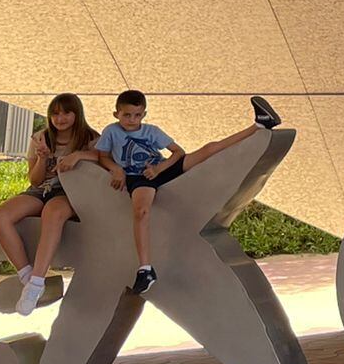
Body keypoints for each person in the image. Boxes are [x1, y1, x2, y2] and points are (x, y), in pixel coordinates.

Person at [96, 90, 282, 296]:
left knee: (209, 149)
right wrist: (116, 169)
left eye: (137, 115)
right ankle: (145, 268)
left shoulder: (151, 131)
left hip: (160, 169)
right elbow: (102, 156)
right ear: (116, 114)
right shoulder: (111, 131)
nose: (132, 120)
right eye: (127, 115)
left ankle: (258, 126)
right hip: (137, 177)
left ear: (144, 114)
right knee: (141, 211)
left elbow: (178, 152)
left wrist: (159, 168)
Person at [0, 94, 98, 316]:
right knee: (0, 216)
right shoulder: (41, 138)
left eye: (66, 112)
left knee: (53, 213)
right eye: (55, 113)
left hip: (72, 193)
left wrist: (79, 155)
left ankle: (36, 282)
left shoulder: (90, 139)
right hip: (41, 190)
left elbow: (103, 161)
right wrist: (42, 158)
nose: (60, 118)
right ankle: (27, 276)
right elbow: (34, 180)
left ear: (76, 114)